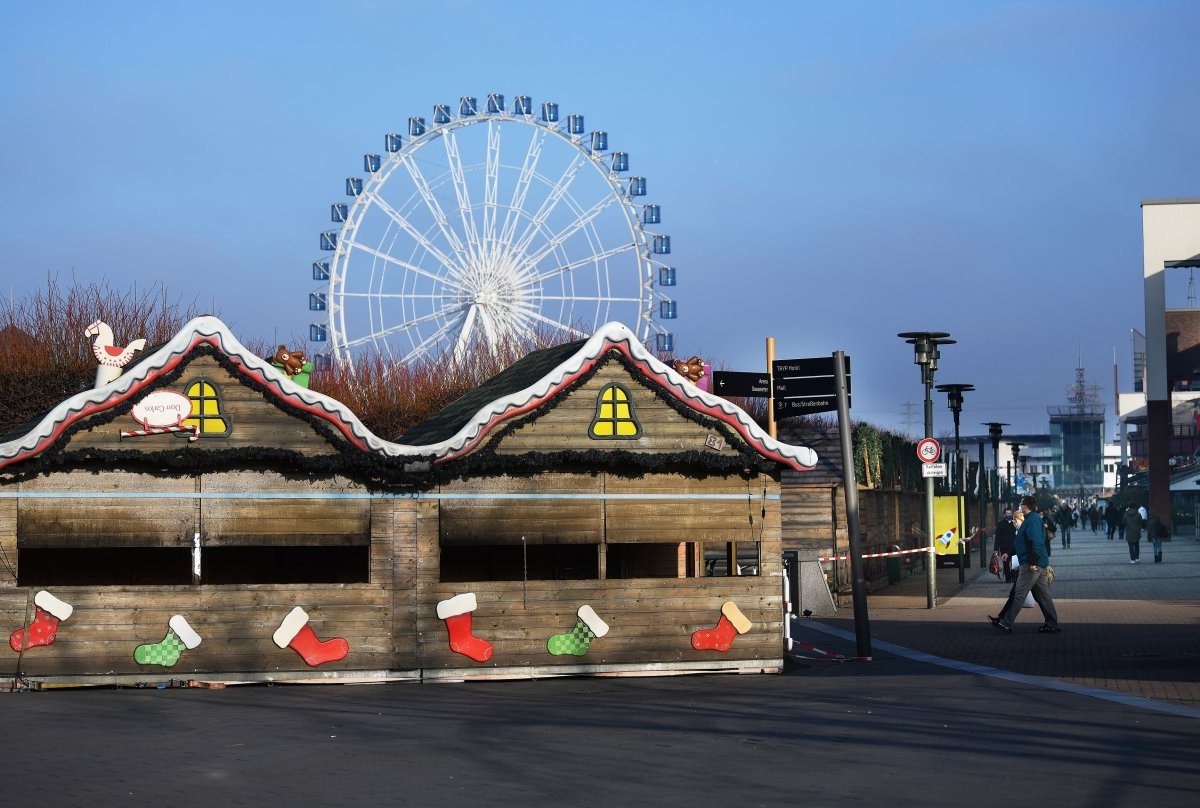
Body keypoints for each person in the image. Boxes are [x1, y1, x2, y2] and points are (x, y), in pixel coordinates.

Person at [992, 496, 1059, 634]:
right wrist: (1009, 553)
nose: (1020, 507)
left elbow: (1036, 543)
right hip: (1035, 563)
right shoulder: (1031, 520)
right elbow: (1022, 542)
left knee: (1019, 594)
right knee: (1043, 596)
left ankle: (1006, 623)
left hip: (1031, 564)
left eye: (1021, 504)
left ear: (1025, 506)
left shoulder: (1032, 521)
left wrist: (1034, 562)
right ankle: (1052, 623)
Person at [992, 507, 1018, 583]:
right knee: (1006, 564)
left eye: (1010, 513)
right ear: (1004, 514)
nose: (1009, 514)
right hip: (1004, 547)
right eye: (1007, 513)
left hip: (1014, 547)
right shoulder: (1000, 524)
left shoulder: (1015, 523)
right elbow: (997, 537)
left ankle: (1014, 577)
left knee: (1014, 563)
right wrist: (996, 549)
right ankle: (1008, 578)